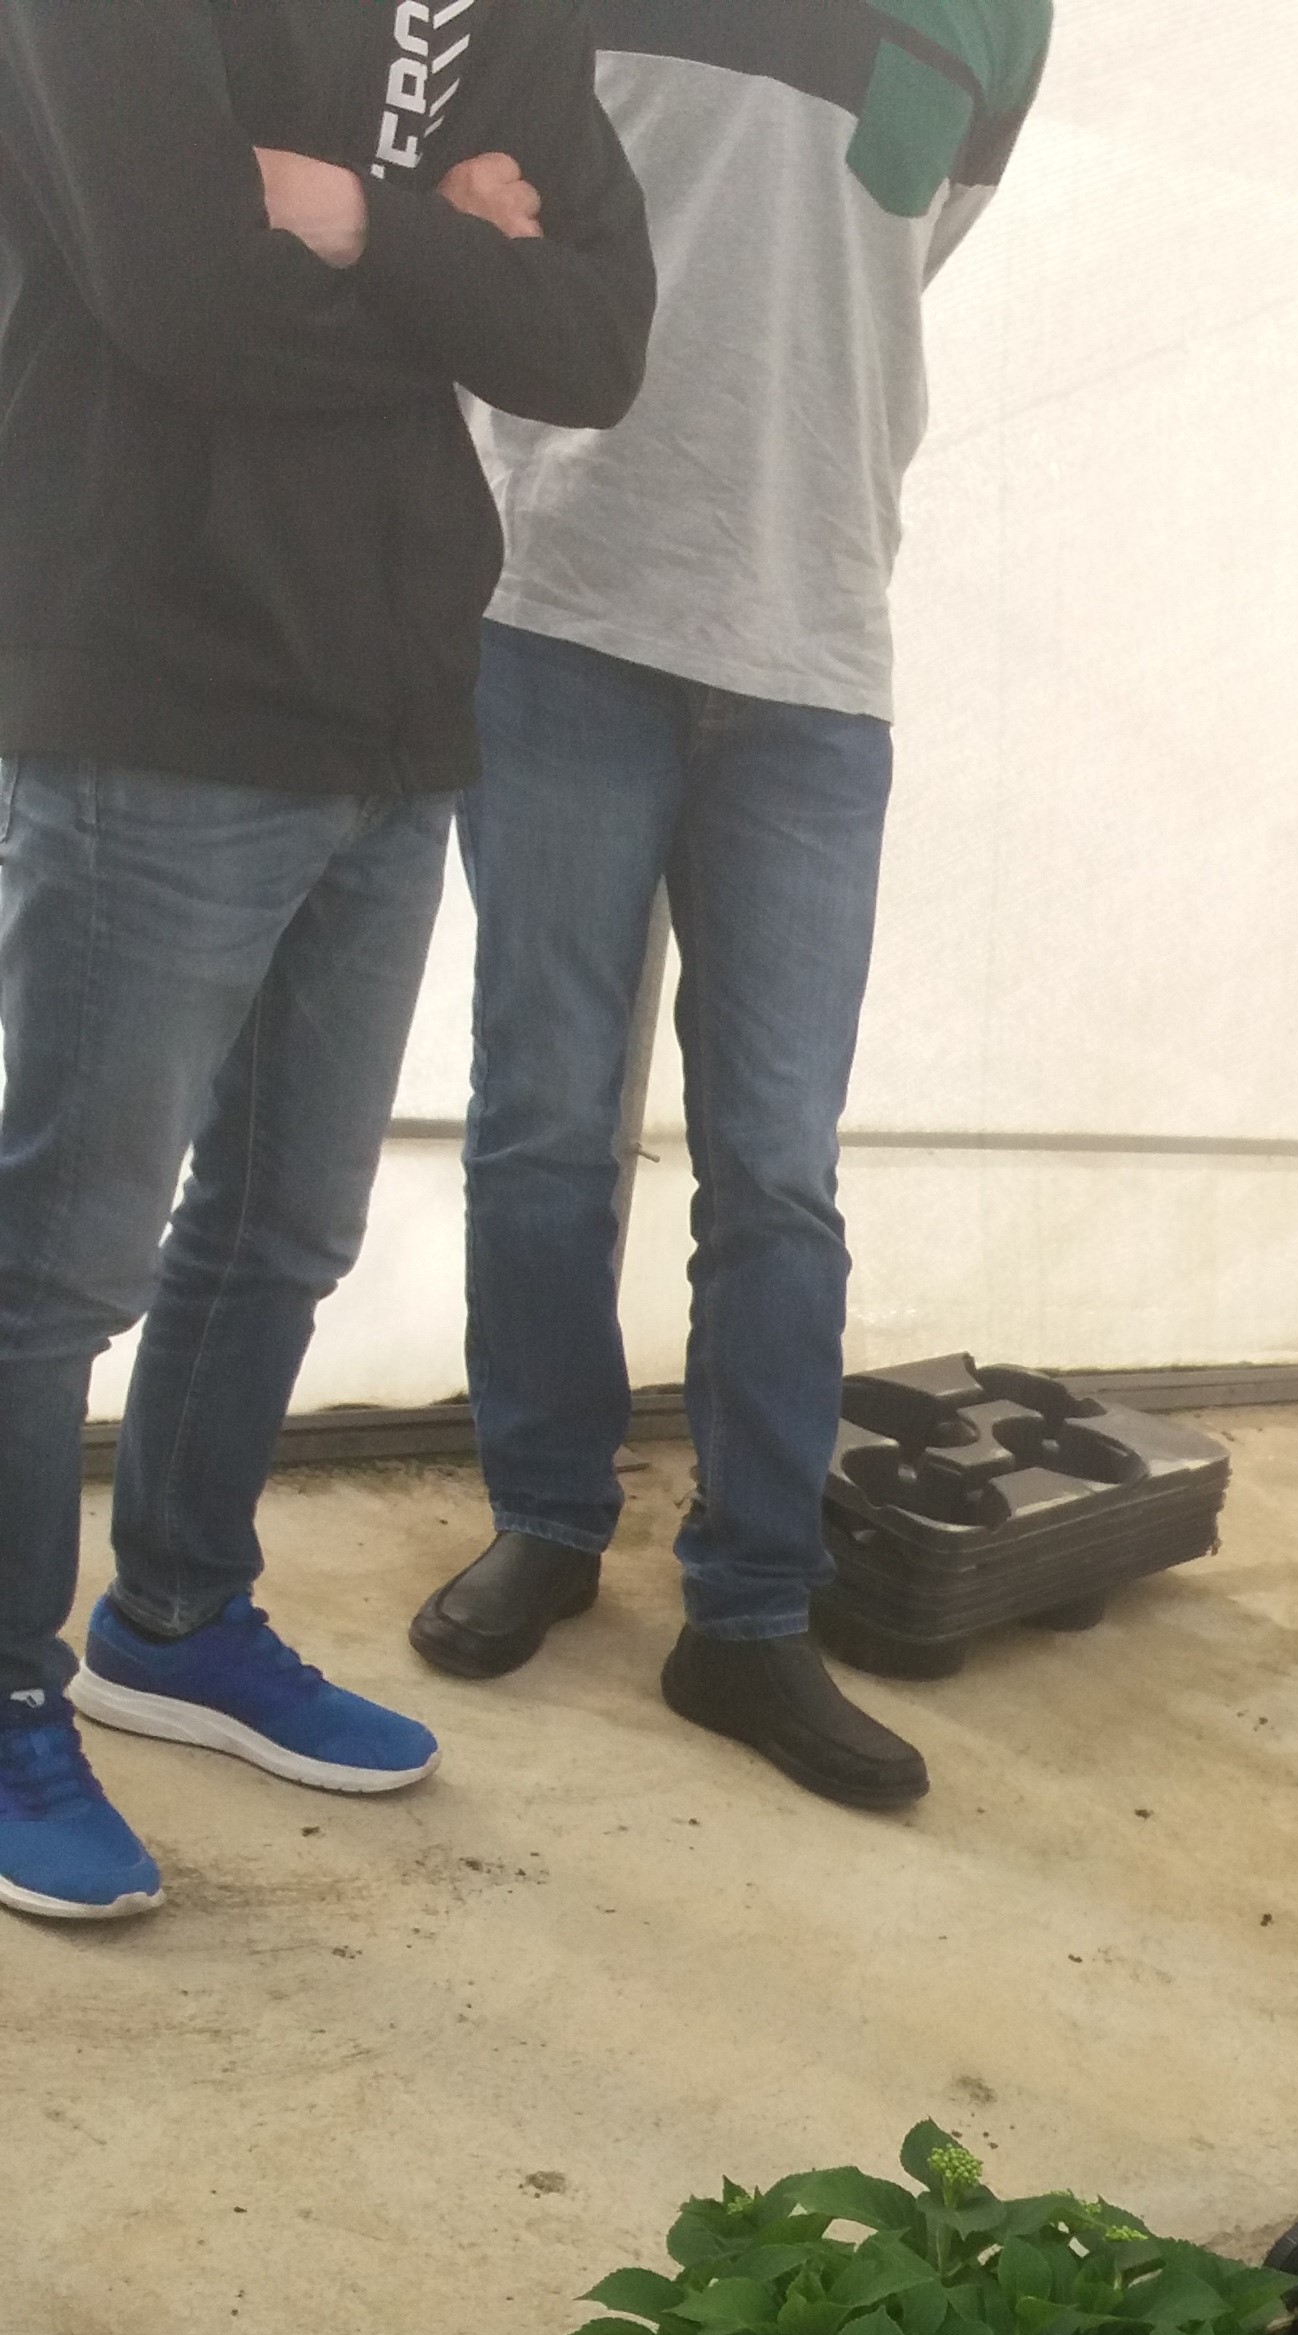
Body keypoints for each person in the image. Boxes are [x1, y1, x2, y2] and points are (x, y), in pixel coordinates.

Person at [0, 1, 652, 1927]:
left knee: (286, 1225)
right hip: (153, 680)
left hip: (393, 699)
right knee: (58, 1261)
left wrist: (354, 217)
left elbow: (593, 344)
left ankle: (175, 1619)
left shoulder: (511, 12)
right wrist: (454, 253)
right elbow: (182, 297)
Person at [406, 0, 1057, 1813]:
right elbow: (475, 208)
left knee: (777, 1167)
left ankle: (751, 1611)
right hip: (559, 603)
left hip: (814, 647)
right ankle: (546, 1517)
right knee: (544, 1116)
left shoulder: (1003, 16)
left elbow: (893, 258)